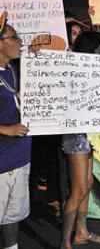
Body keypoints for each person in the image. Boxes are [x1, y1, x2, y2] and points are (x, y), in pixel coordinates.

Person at [60, 32, 100, 248]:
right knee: (78, 188)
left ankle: (81, 232)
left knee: (87, 184)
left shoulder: (98, 72)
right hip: (76, 134)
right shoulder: (72, 70)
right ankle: (65, 243)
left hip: (90, 134)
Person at [0, 13, 30, 249]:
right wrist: (5, 129)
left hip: (20, 156)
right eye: (14, 37)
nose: (20, 41)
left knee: (14, 213)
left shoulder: (12, 69)